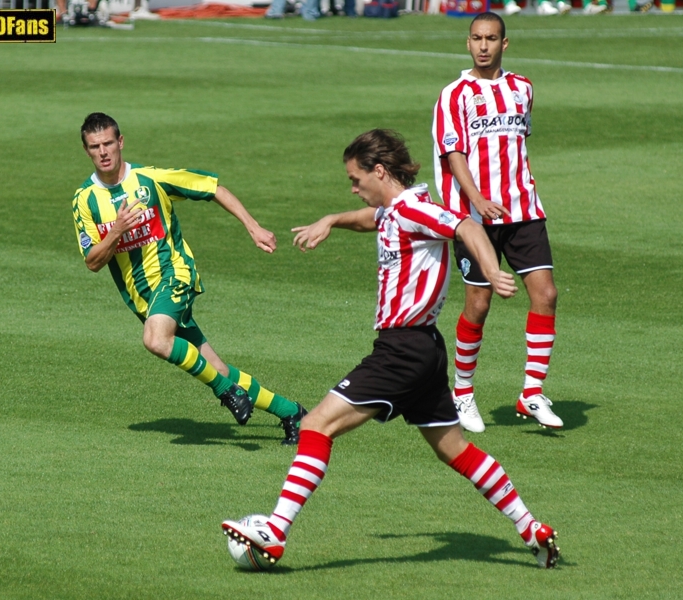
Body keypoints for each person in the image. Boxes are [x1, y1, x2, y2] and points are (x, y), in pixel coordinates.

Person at [222, 129, 560, 570]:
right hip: (425, 350)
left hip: (402, 350)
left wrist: (493, 270)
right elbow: (370, 220)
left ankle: (275, 530)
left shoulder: (415, 208)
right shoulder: (392, 211)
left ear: (379, 171)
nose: (353, 187)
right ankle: (530, 528)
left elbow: (468, 226)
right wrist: (332, 219)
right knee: (454, 448)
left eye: (355, 179)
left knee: (316, 425)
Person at [72, 113, 306, 445]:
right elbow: (93, 262)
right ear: (87, 151)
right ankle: (293, 413)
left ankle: (226, 394)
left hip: (175, 274)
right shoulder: (84, 200)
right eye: (95, 147)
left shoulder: (150, 179)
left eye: (109, 143)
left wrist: (252, 226)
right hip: (143, 298)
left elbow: (213, 188)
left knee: (155, 340)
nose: (104, 152)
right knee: (216, 367)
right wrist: (118, 231)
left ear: (120, 142)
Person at [432, 12, 563, 433]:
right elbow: (454, 155)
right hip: (473, 217)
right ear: (467, 42)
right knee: (479, 303)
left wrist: (506, 195)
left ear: (504, 44)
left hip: (524, 210)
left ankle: (532, 392)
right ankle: (463, 392)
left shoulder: (523, 89)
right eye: (476, 38)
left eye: (491, 38)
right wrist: (478, 199)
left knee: (546, 294)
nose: (483, 45)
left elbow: (517, 145)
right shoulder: (454, 94)